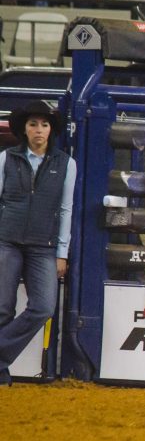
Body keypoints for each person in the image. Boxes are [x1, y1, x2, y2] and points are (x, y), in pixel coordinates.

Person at [0, 101, 76, 387]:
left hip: (43, 245)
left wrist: (62, 252)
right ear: (24, 129)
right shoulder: (6, 159)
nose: (39, 130)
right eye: (33, 124)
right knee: (2, 308)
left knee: (44, 307)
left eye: (44, 125)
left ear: (51, 129)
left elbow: (66, 209)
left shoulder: (66, 164)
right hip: (6, 241)